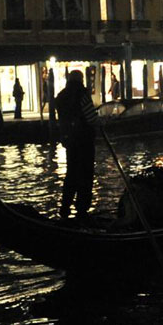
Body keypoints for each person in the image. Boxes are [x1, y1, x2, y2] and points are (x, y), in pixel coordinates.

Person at [55, 70, 100, 220]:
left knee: (71, 174)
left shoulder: (61, 96)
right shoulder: (82, 95)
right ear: (81, 80)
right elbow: (91, 118)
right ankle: (82, 209)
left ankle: (65, 208)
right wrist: (100, 122)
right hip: (85, 140)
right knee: (86, 175)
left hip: (70, 141)